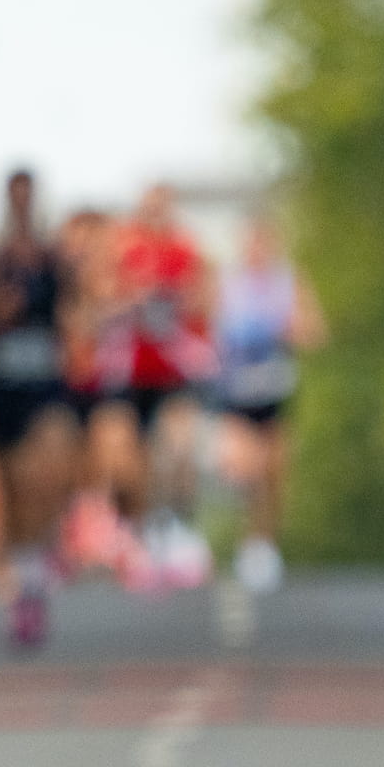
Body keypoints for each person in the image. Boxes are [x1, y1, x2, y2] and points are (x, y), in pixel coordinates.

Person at [0, 170, 80, 648]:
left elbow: (77, 315)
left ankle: (34, 573)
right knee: (7, 495)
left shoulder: (54, 261)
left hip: (46, 383)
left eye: (29, 197)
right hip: (0, 386)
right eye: (16, 198)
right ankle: (19, 587)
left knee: (45, 475)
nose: (23, 206)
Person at [216, 214, 325, 592]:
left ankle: (264, 543)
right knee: (250, 468)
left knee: (275, 473)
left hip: (275, 391)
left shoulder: (289, 283)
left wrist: (289, 327)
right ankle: (249, 543)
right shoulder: (226, 286)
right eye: (252, 244)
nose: (257, 252)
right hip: (235, 394)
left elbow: (315, 332)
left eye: (264, 244)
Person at [114, 183, 214, 587]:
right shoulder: (123, 251)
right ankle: (141, 532)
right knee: (134, 459)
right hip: (135, 372)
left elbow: (205, 302)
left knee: (181, 447)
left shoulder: (187, 251)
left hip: (176, 369)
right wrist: (135, 296)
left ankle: (179, 523)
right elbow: (104, 301)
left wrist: (176, 294)